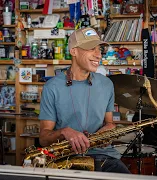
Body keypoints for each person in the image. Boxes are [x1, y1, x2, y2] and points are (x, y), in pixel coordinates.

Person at [38, 27, 130, 174]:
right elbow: (43, 139)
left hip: (104, 156)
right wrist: (64, 132)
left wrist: (108, 130)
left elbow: (110, 123)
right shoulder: (52, 87)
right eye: (91, 49)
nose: (98, 55)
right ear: (74, 51)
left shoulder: (107, 84)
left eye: (99, 49)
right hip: (66, 159)